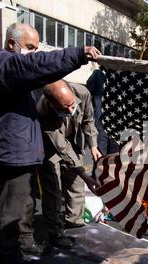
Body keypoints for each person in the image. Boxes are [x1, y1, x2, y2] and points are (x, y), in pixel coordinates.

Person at [0, 23, 101, 264]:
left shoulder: (20, 78)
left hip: (21, 154)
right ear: (12, 44)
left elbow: (87, 123)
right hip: (10, 155)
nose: (34, 53)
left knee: (23, 203)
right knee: (10, 210)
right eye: (30, 47)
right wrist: (76, 54)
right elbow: (33, 67)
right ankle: (11, 260)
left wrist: (92, 148)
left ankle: (23, 245)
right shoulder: (2, 64)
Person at [37, 80, 100, 248]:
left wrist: (93, 144)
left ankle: (75, 223)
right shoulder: (43, 109)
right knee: (53, 190)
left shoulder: (83, 92)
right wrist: (83, 172)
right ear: (52, 104)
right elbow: (61, 146)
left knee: (76, 185)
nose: (71, 111)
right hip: (49, 148)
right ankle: (55, 233)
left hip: (75, 141)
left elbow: (88, 120)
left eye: (72, 105)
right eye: (64, 109)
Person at [86, 68, 119, 157]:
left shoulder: (126, 76)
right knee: (99, 157)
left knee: (115, 159)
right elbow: (88, 94)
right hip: (100, 124)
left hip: (117, 125)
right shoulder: (98, 74)